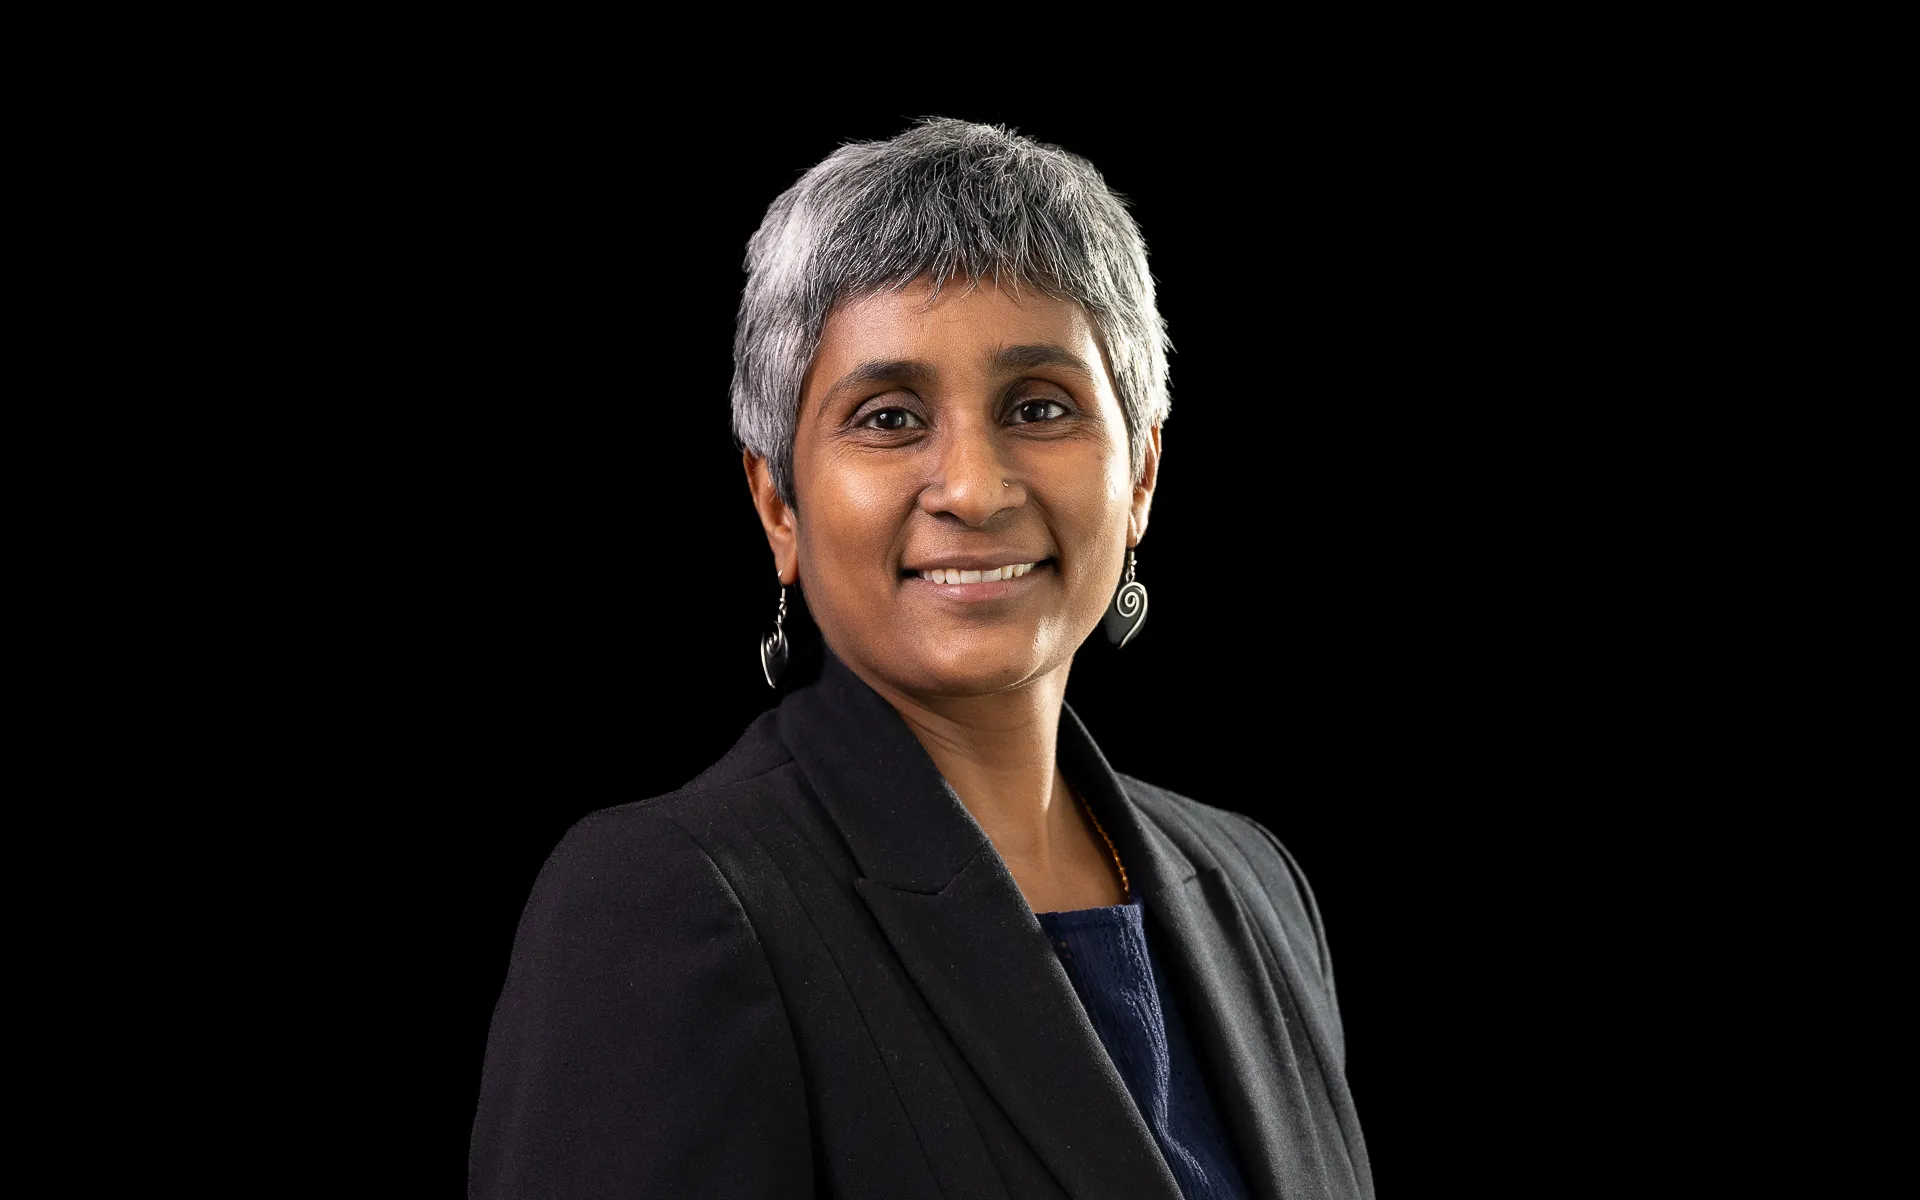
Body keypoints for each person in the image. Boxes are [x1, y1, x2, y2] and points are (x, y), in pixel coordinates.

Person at [470, 118, 1372, 1200]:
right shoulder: (664, 905)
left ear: (1140, 473)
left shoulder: (1257, 886)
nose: (975, 488)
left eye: (1040, 407)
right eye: (889, 418)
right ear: (779, 505)